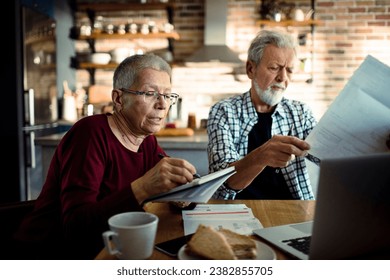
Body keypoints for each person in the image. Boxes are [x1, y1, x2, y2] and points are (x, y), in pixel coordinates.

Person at [14, 54, 197, 260]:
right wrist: (143, 187)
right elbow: (75, 228)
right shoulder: (89, 134)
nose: (162, 105)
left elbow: (172, 183)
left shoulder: (146, 140)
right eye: (150, 93)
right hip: (50, 254)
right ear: (119, 99)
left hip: (110, 246)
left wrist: (185, 192)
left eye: (168, 95)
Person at [207, 30, 317, 200]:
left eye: (290, 70)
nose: (282, 78)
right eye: (274, 68)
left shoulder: (301, 113)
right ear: (251, 69)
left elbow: (324, 156)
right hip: (237, 213)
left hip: (294, 212)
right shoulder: (224, 112)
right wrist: (261, 156)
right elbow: (221, 185)